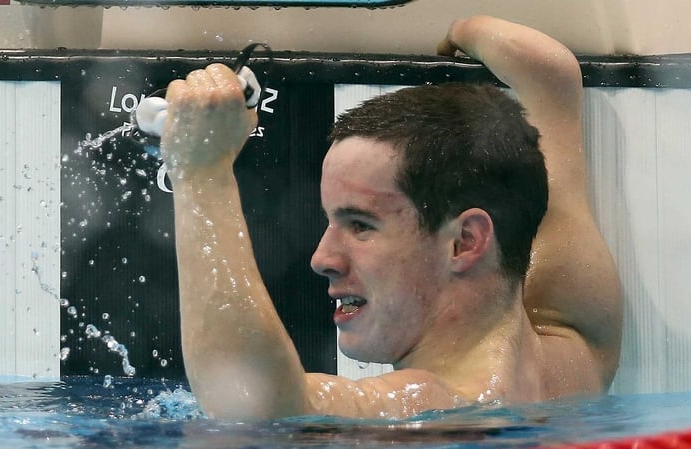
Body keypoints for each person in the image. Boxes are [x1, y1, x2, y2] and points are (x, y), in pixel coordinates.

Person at [158, 15, 622, 420]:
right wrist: (467, 28)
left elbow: (250, 406)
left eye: (360, 225)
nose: (322, 258)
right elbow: (552, 80)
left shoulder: (445, 411)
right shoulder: (577, 357)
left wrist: (201, 171)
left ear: (464, 241)